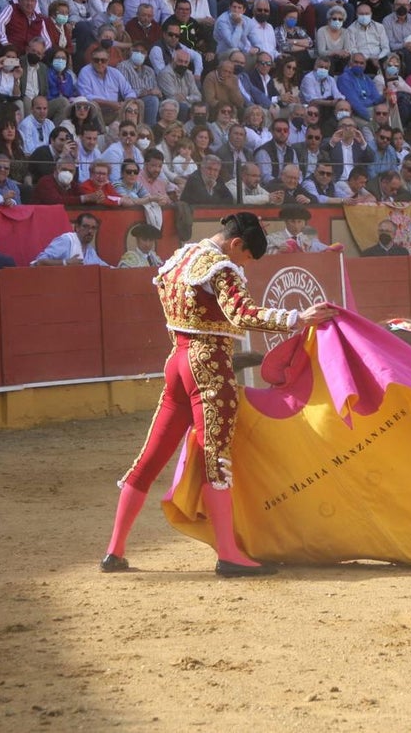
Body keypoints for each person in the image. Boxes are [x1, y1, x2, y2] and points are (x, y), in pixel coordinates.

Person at [102, 212, 335, 576]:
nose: (244, 265)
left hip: (177, 361)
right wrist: (297, 319)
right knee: (216, 459)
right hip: (209, 366)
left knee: (150, 458)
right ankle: (229, 554)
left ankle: (114, 551)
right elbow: (241, 314)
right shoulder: (221, 268)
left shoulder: (179, 259)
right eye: (246, 257)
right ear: (236, 243)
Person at [32, 212, 110, 266]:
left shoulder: (90, 250)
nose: (90, 231)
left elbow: (105, 267)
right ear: (77, 227)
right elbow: (39, 261)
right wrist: (65, 262)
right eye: (86, 227)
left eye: (93, 228)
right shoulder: (66, 241)